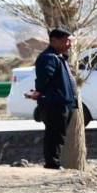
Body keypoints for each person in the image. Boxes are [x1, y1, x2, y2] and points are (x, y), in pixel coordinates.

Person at [29, 27, 77, 170]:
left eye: (70, 40)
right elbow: (43, 80)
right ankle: (52, 163)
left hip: (63, 103)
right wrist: (38, 92)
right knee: (55, 134)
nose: (70, 44)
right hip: (55, 104)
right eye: (67, 40)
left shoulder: (58, 57)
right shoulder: (49, 57)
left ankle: (54, 162)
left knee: (59, 134)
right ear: (55, 41)